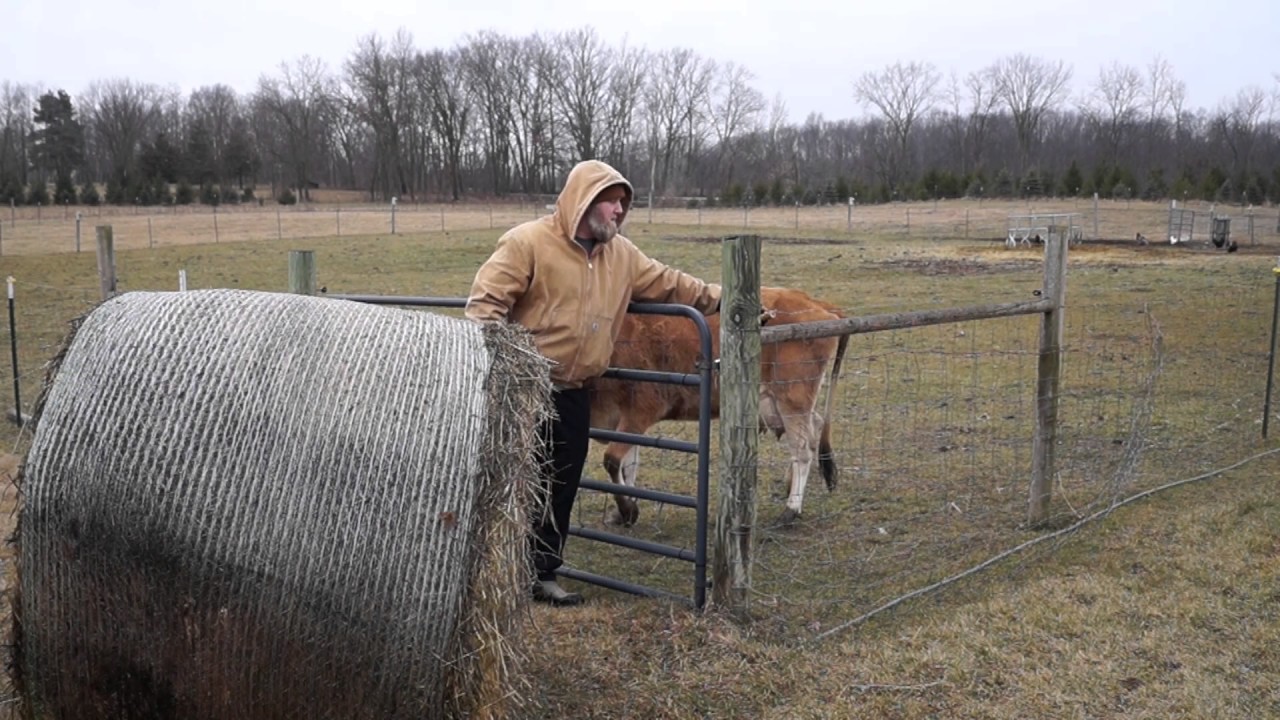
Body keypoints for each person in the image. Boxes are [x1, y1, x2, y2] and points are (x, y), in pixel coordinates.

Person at [465, 159, 721, 606]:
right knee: (508, 481)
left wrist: (729, 296)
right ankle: (486, 573)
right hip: (523, 387)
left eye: (624, 203)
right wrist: (497, 371)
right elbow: (484, 307)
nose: (620, 211)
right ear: (585, 200)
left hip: (574, 390)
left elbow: (673, 285)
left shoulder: (622, 256)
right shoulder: (528, 243)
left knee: (559, 485)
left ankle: (540, 574)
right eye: (612, 202)